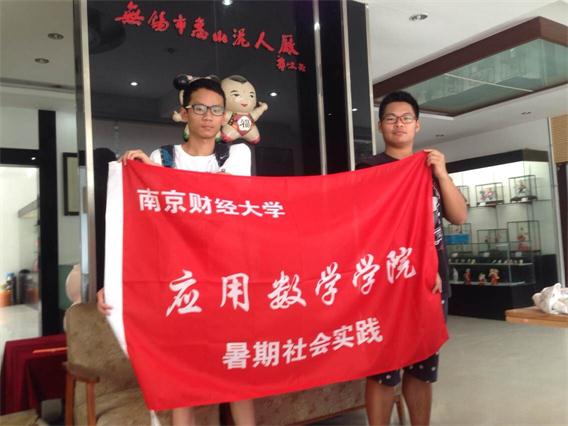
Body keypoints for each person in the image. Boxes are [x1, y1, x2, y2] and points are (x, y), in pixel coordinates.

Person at [97, 74, 255, 426]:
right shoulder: (162, 157)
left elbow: (221, 198)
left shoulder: (237, 154)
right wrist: (116, 281)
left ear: (225, 115)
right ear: (184, 113)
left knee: (236, 376)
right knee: (183, 380)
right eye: (199, 108)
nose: (208, 116)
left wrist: (159, 176)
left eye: (216, 109)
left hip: (227, 280)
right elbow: (141, 230)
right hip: (181, 282)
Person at [357, 91, 467, 426]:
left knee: (422, 368)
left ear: (417, 125)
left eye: (406, 118)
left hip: (431, 284)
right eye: (391, 118)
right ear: (381, 126)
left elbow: (458, 216)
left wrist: (443, 174)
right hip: (385, 285)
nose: (399, 124)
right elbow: (365, 229)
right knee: (383, 370)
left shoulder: (430, 167)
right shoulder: (368, 169)